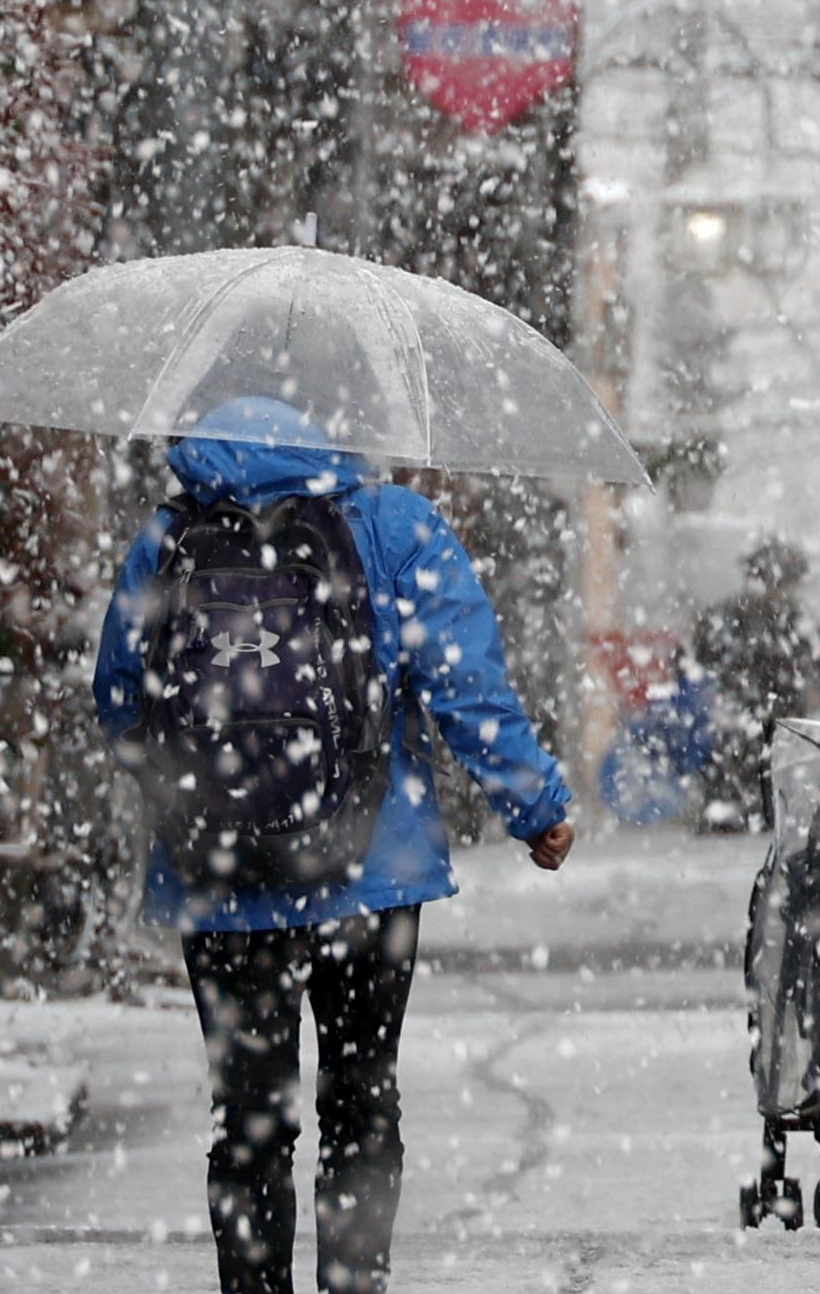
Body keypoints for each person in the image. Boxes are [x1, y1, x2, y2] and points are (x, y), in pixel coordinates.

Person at [94, 397, 576, 1294]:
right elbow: (465, 688)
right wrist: (533, 805)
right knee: (360, 1101)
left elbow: (121, 700)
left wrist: (209, 793)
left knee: (247, 1114)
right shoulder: (395, 524)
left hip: (218, 876)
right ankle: (355, 1284)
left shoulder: (169, 533)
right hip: (369, 869)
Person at [688, 539, 820, 831]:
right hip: (760, 715)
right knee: (753, 765)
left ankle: (737, 810)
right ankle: (744, 810)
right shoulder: (792, 618)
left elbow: (699, 655)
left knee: (747, 764)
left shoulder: (730, 615)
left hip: (755, 714)